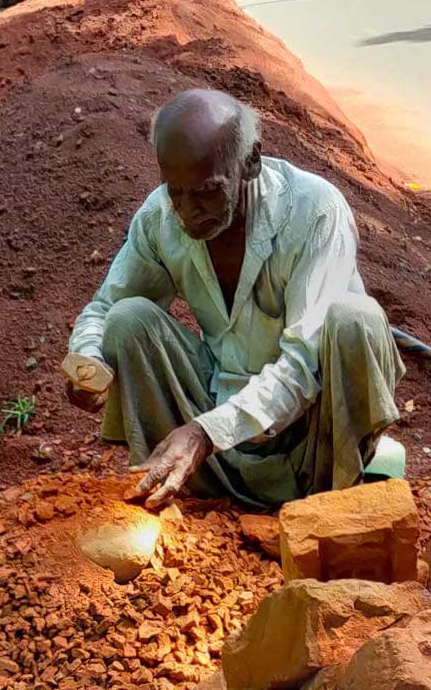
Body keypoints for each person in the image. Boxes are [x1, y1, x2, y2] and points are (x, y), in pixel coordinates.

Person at [65, 89, 404, 510]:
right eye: (176, 191)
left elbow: (304, 365)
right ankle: (179, 489)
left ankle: (336, 508)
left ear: (251, 163)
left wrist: (206, 433)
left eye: (207, 191)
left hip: (313, 443)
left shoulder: (315, 211)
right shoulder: (161, 217)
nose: (188, 210)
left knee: (356, 319)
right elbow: (102, 308)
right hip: (213, 441)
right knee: (127, 318)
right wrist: (88, 361)